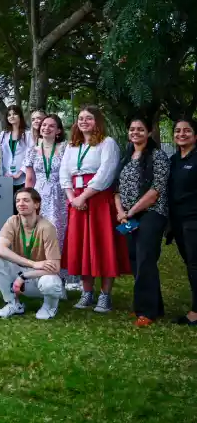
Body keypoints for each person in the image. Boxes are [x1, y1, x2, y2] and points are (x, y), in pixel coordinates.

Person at [59, 106, 129, 313]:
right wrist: (73, 199)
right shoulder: (72, 146)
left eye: (88, 118)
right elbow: (64, 173)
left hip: (98, 200)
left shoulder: (107, 143)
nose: (83, 122)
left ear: (97, 121)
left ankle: (105, 295)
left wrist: (83, 196)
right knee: (81, 246)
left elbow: (106, 173)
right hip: (77, 201)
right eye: (81, 118)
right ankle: (87, 292)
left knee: (103, 245)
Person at [114, 116, 170, 327]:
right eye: (132, 129)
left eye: (140, 129)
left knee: (146, 257)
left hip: (151, 214)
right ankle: (154, 306)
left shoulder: (158, 156)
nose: (135, 132)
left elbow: (155, 192)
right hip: (129, 216)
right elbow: (116, 189)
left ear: (149, 132)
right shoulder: (126, 156)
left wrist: (131, 212)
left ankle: (146, 310)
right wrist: (121, 212)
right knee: (134, 257)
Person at [0, 188, 63, 319]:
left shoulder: (47, 227)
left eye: (26, 200)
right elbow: (0, 249)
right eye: (18, 200)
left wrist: (24, 276)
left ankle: (50, 306)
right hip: (25, 271)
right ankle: (13, 303)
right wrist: (33, 264)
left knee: (50, 282)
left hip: (40, 277)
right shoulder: (13, 221)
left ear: (36, 204)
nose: (21, 203)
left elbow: (55, 267)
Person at [24, 114, 68, 249]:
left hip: (60, 195)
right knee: (39, 228)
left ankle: (58, 260)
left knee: (58, 229)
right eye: (44, 125)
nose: (46, 128)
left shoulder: (65, 149)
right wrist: (26, 200)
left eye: (51, 126)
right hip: (39, 195)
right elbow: (30, 178)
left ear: (58, 130)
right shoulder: (32, 151)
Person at [169, 118, 197, 327]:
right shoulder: (174, 160)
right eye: (178, 131)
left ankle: (195, 312)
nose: (181, 134)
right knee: (190, 263)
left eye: (187, 131)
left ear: (195, 136)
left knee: (195, 264)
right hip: (177, 220)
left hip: (193, 219)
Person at [0, 105, 29, 201]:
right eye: (9, 115)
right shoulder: (4, 134)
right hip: (6, 176)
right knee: (7, 205)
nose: (12, 116)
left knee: (20, 203)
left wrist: (20, 173)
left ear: (20, 116)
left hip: (22, 177)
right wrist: (4, 172)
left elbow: (30, 156)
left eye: (15, 114)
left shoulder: (27, 134)